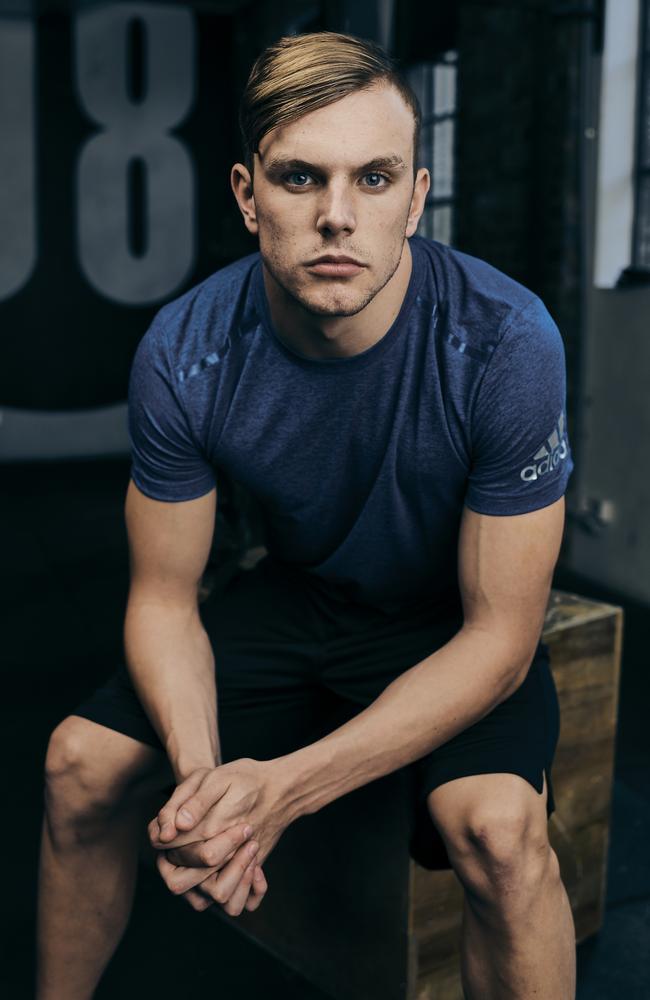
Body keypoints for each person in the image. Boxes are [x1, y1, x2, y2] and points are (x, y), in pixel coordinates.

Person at [37, 30, 577, 1000]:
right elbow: (163, 600)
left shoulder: (503, 341)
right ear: (248, 196)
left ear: (415, 197)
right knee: (77, 765)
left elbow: (500, 637)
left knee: (499, 833)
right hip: (294, 600)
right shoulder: (186, 351)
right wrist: (209, 791)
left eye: (373, 179)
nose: (336, 217)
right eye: (298, 178)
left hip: (444, 618)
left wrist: (278, 792)